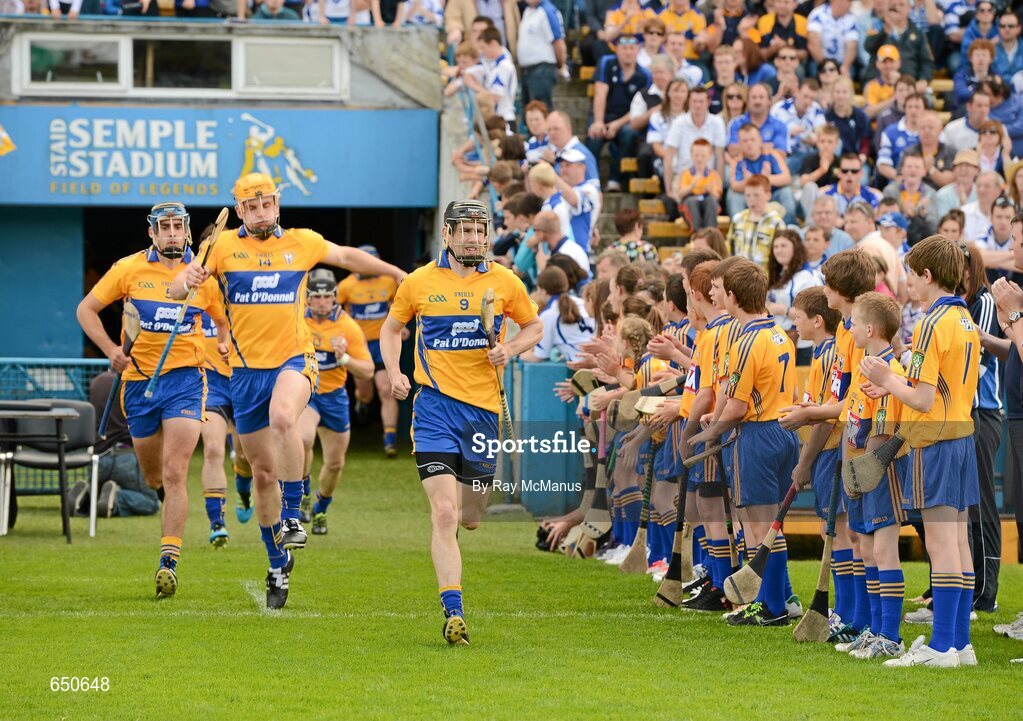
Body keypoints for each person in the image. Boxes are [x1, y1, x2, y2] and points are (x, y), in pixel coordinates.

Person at [174, 173, 406, 609]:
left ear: (276, 205)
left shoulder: (302, 241)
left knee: (285, 418)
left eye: (267, 205)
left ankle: (293, 514)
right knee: (262, 474)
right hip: (243, 373)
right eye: (252, 206)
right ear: (239, 210)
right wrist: (186, 277)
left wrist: (396, 272)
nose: (261, 213)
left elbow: (347, 256)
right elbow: (175, 291)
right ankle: (277, 562)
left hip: (294, 359)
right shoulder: (220, 248)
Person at [381, 199, 542, 645]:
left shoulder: (505, 281)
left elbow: (535, 328)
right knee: (444, 513)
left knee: (470, 516)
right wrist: (395, 373)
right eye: (464, 230)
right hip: (433, 409)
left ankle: (468, 522)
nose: (473, 238)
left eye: (479, 230)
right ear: (447, 234)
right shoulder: (418, 283)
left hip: (483, 412)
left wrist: (510, 350)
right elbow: (392, 330)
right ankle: (453, 611)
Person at [77, 201, 228, 599]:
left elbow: (222, 317)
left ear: (188, 231)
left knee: (176, 471)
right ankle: (163, 498)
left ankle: (168, 562)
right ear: (152, 233)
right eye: (165, 227)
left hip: (186, 382)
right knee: (153, 475)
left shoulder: (202, 275)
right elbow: (86, 309)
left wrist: (226, 341)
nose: (173, 233)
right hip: (140, 383)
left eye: (179, 226)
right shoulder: (128, 269)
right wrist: (111, 349)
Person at [861, 235, 980, 668]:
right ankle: (959, 645)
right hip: (963, 435)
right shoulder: (964, 317)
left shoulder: (933, 321)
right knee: (959, 543)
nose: (908, 282)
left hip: (937, 439)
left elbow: (923, 398)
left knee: (943, 545)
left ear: (927, 276)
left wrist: (888, 379)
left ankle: (943, 645)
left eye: (911, 273)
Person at [689, 258, 800, 627]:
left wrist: (709, 432)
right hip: (785, 431)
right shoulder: (780, 333)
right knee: (771, 525)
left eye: (721, 290)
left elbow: (737, 406)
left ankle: (769, 607)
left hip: (758, 435)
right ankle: (778, 600)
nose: (717, 295)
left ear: (733, 296)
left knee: (756, 527)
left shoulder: (745, 341)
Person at [836, 291, 910, 660]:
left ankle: (890, 635)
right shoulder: (866, 364)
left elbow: (884, 433)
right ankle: (874, 629)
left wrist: (865, 468)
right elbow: (852, 421)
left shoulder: (888, 369)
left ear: (869, 328)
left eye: (852, 321)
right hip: (859, 469)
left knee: (883, 549)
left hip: (880, 470)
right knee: (866, 546)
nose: (847, 327)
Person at [299, 269, 374, 536]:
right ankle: (303, 494)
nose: (321, 301)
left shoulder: (347, 326)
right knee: (304, 438)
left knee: (335, 463)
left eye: (326, 296)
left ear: (334, 297)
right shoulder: (296, 319)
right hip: (306, 392)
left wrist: (343, 359)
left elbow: (367, 370)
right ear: (306, 298)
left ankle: (320, 508)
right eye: (315, 296)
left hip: (334, 395)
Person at [960, 244, 1003, 614]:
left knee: (982, 502)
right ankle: (965, 586)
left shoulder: (984, 302)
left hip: (982, 412)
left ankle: (985, 591)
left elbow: (980, 364)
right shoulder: (957, 305)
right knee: (963, 505)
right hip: (963, 413)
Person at [336, 244, 404, 458]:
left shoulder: (388, 282)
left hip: (382, 344)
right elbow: (332, 310)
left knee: (386, 389)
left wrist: (401, 329)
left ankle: (389, 440)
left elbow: (399, 305)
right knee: (365, 392)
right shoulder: (346, 286)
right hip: (359, 346)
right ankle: (362, 402)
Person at [587, 34, 652, 192]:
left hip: (627, 119)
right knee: (594, 135)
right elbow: (600, 93)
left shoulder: (645, 75)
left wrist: (617, 124)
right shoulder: (606, 63)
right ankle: (591, 180)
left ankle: (615, 179)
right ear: (617, 49)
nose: (628, 52)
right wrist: (599, 121)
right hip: (604, 115)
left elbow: (640, 107)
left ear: (638, 50)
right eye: (624, 48)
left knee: (629, 134)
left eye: (631, 48)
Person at [766, 230, 821, 365]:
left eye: (784, 246)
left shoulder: (807, 277)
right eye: (776, 247)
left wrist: (781, 310)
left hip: (800, 344)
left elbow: (812, 314)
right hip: (776, 340)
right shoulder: (777, 274)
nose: (779, 250)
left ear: (795, 248)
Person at [521, 265, 595, 363]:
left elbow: (540, 356)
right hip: (597, 363)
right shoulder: (581, 302)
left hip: (582, 369)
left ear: (541, 290)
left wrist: (520, 355)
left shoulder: (549, 315)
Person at [726, 174, 786, 272]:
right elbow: (729, 249)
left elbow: (780, 257)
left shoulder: (776, 223)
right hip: (738, 278)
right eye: (748, 195)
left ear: (768, 195)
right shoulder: (738, 219)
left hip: (764, 280)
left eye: (756, 195)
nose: (751, 200)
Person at [517, 0, 567, 114]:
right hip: (527, 70)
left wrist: (560, 65)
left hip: (542, 70)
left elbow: (558, 42)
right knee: (529, 113)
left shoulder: (548, 11)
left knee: (541, 111)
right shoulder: (528, 11)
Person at [675, 138, 723, 231]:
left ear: (709, 156)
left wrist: (710, 190)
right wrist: (691, 186)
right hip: (691, 200)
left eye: (703, 156)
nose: (699, 159)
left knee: (712, 201)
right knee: (691, 202)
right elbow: (680, 194)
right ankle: (698, 233)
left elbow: (717, 196)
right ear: (691, 156)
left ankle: (710, 232)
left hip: (707, 200)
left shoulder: (713, 174)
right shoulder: (686, 173)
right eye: (696, 155)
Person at [807, 0, 859, 75]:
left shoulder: (851, 18)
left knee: (849, 72)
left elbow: (852, 47)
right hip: (819, 60)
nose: (850, 4)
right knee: (814, 69)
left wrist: (845, 66)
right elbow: (813, 43)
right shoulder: (818, 14)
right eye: (847, 1)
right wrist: (826, 65)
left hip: (841, 63)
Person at [932, 149, 979, 222]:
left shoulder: (982, 193)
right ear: (953, 170)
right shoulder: (942, 195)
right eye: (960, 166)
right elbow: (945, 224)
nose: (963, 169)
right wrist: (962, 205)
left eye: (967, 166)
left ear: (977, 170)